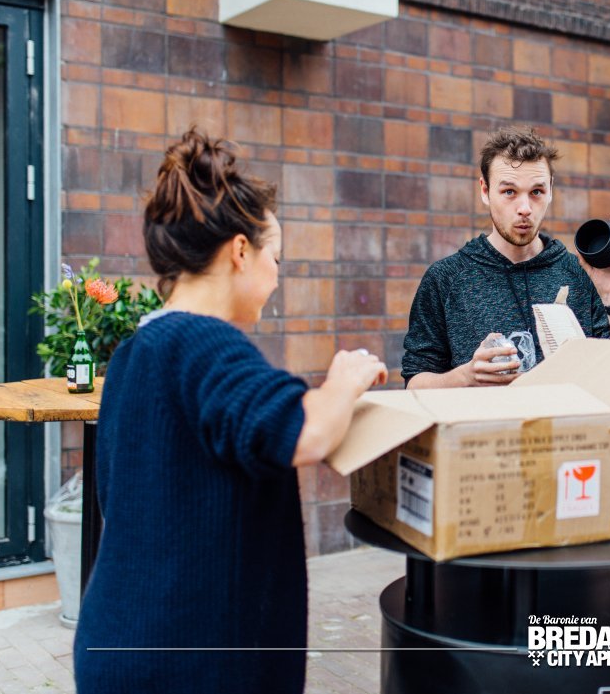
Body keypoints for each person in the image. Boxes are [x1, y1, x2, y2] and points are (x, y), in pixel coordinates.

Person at [73, 129, 389, 694]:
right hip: (186, 668)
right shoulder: (204, 344)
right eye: (276, 257)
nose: (277, 275)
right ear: (241, 251)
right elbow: (306, 432)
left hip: (119, 647)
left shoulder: (132, 353)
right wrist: (347, 376)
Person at [402, 125, 610, 388]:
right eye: (509, 192)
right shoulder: (446, 278)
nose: (525, 208)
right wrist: (465, 377)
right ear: (485, 191)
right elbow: (414, 384)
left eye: (536, 192)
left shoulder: (583, 274)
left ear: (550, 190)